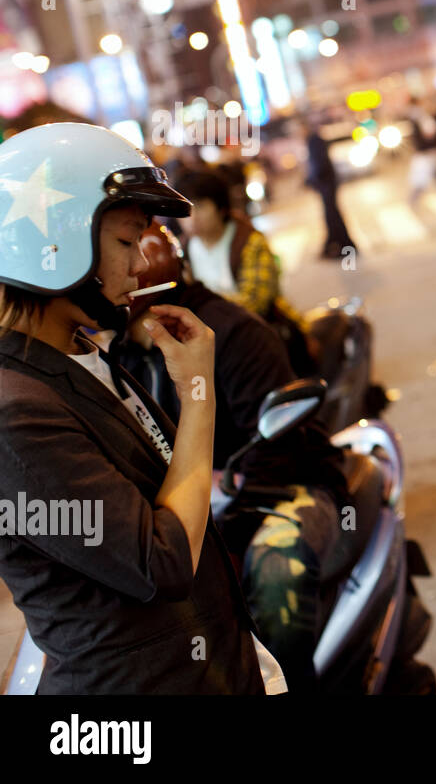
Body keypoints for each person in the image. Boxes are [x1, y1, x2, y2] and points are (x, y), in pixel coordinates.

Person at [0, 122, 266, 693]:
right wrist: (199, 396)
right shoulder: (14, 416)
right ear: (55, 245)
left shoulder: (80, 356)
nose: (142, 266)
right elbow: (163, 561)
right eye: (126, 243)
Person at [118, 224, 352, 692]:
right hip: (194, 507)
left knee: (276, 571)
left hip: (283, 489)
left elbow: (278, 446)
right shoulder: (115, 356)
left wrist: (221, 482)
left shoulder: (230, 332)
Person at [172, 168, 316, 377]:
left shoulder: (249, 242)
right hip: (216, 343)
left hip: (263, 334)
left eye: (201, 207)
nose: (191, 219)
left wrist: (201, 310)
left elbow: (254, 302)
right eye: (186, 210)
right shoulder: (182, 251)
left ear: (221, 208)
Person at [304, 117, 358, 258]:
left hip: (326, 183)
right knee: (331, 215)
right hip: (327, 183)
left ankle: (344, 246)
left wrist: (311, 180)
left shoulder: (314, 140)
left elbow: (319, 165)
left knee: (332, 214)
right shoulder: (314, 139)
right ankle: (336, 245)